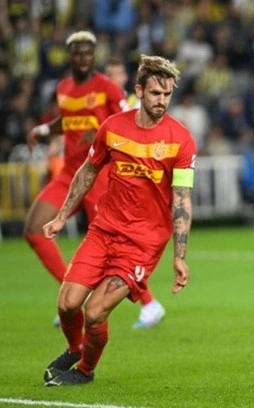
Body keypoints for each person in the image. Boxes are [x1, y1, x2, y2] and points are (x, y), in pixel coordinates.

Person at [41, 54, 196, 386]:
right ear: (139, 90)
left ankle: (85, 371)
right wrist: (61, 216)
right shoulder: (112, 128)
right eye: (155, 93)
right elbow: (88, 171)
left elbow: (182, 200)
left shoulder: (180, 140)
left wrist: (179, 256)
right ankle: (75, 347)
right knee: (67, 304)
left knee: (95, 311)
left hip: (142, 243)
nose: (162, 101)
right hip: (104, 231)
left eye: (167, 94)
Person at [25, 31, 165, 330]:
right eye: (77, 53)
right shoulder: (64, 88)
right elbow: (68, 120)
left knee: (113, 245)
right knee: (34, 229)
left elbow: (131, 120)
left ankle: (150, 304)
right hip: (70, 173)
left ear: (94, 55)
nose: (83, 58)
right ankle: (71, 295)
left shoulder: (107, 88)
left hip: (100, 175)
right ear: (69, 56)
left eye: (88, 53)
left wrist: (104, 133)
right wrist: (44, 130)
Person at [105, 55, 167, 329]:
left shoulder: (131, 105)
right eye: (108, 74)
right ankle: (148, 304)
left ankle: (149, 304)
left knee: (118, 247)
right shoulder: (107, 102)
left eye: (116, 74)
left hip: (129, 185)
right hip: (108, 179)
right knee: (108, 246)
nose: (112, 79)